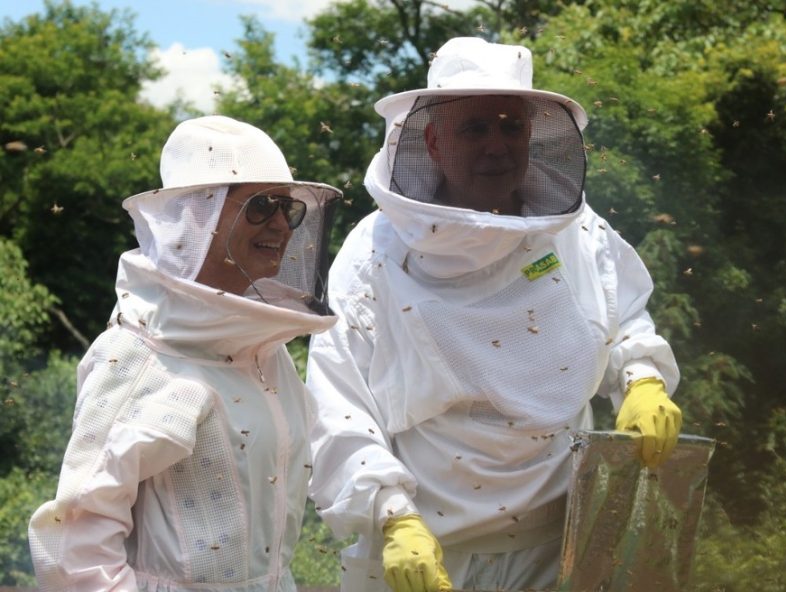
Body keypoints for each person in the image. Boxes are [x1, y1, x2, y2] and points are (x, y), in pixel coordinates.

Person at [306, 37, 682, 591]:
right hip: (427, 550)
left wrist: (642, 378)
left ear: (533, 135)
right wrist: (392, 517)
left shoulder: (574, 232)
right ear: (431, 141)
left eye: (512, 128)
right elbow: (340, 401)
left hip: (560, 548)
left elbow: (623, 319)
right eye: (475, 129)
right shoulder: (373, 253)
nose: (497, 146)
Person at [28, 115, 342, 591]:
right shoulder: (133, 354)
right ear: (199, 215)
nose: (281, 223)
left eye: (287, 207)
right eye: (260, 206)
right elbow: (76, 540)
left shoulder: (265, 350)